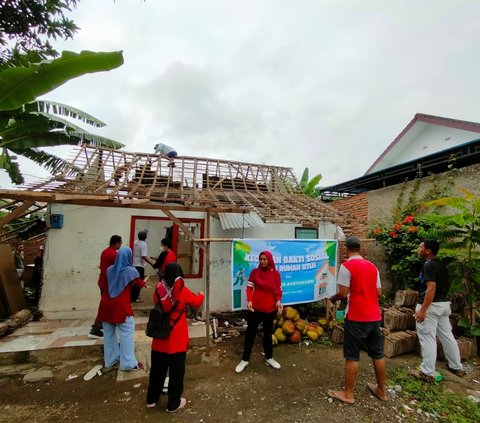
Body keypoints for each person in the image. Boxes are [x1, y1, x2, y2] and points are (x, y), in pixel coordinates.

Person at [328, 236, 387, 404]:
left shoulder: (346, 266)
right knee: (378, 353)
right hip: (374, 316)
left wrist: (333, 298)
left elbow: (343, 293)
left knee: (352, 355)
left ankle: (348, 394)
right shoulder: (372, 267)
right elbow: (379, 293)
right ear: (360, 249)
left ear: (346, 249)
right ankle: (382, 391)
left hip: (356, 316)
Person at [146, 263, 204, 413]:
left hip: (160, 338)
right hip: (177, 339)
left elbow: (158, 305)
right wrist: (201, 294)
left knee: (157, 371)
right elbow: (196, 302)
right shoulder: (182, 291)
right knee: (176, 374)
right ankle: (173, 404)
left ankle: (151, 400)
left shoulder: (159, 290)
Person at [412, 240, 465, 381]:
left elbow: (431, 288)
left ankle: (427, 372)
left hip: (431, 306)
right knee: (447, 336)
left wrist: (423, 310)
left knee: (427, 337)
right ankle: (456, 366)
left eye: (421, 247)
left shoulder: (429, 265)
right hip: (443, 305)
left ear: (428, 250)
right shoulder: (440, 264)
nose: (418, 249)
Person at [96, 246, 146, 372]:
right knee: (127, 332)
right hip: (120, 306)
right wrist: (144, 281)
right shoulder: (131, 271)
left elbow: (102, 283)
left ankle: (110, 360)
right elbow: (140, 284)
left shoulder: (109, 270)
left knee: (109, 334)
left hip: (106, 304)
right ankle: (128, 363)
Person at [235, 250, 283, 373]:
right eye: (261, 259)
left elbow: (278, 291)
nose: (262, 261)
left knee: (267, 335)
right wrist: (249, 300)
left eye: (264, 259)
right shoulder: (254, 272)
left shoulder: (275, 274)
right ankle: (244, 360)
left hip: (270, 309)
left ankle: (269, 357)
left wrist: (278, 301)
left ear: (269, 260)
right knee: (250, 334)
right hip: (255, 309)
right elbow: (249, 287)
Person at [89, 235, 122, 339]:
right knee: (105, 305)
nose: (120, 245)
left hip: (104, 281)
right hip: (107, 283)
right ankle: (95, 328)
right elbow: (120, 267)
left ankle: (109, 323)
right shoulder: (113, 254)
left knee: (108, 304)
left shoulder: (105, 251)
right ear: (117, 243)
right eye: (120, 243)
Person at [132, 229, 154, 303]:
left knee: (134, 282)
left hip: (133, 264)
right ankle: (135, 298)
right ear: (145, 237)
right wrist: (151, 263)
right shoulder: (143, 244)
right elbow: (143, 256)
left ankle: (133, 296)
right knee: (139, 282)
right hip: (139, 265)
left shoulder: (135, 242)